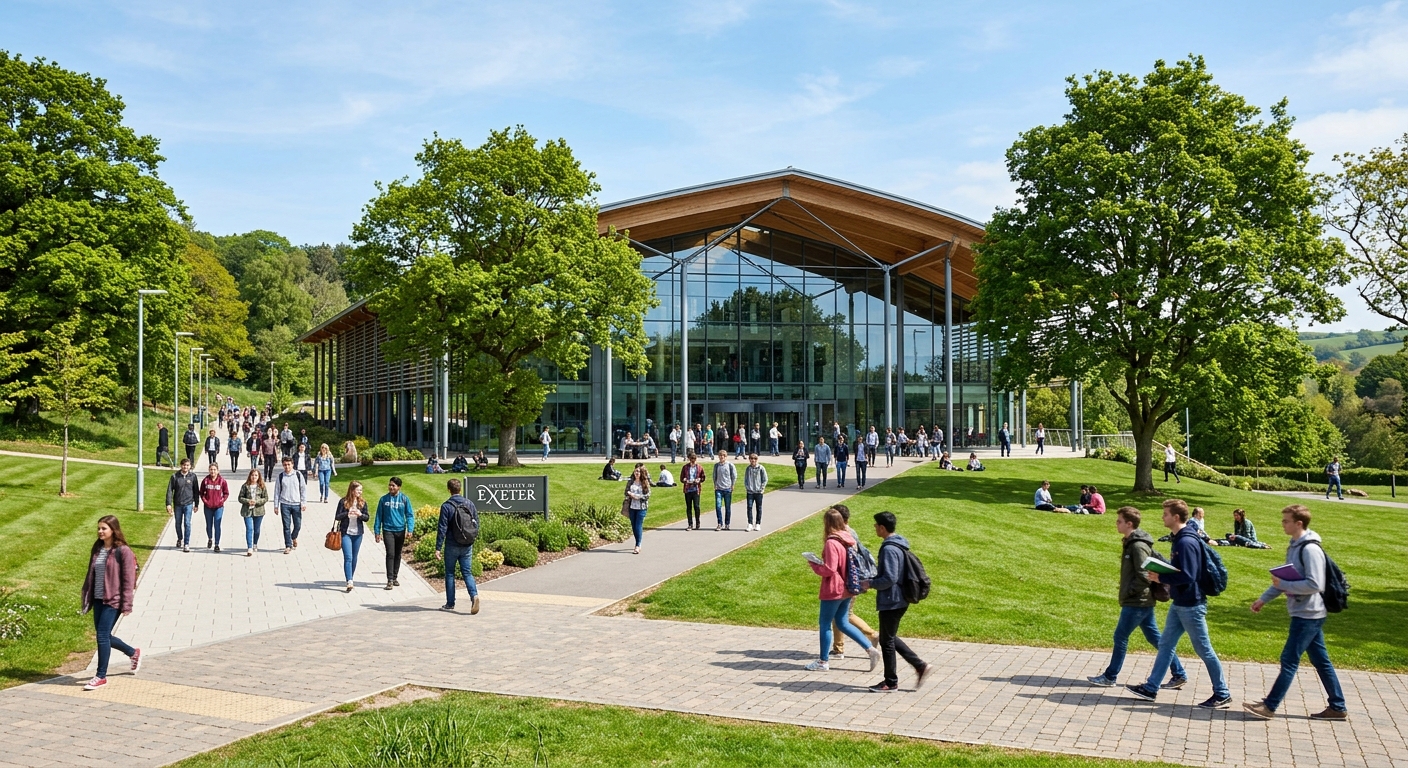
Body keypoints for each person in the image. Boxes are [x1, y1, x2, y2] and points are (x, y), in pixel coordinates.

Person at [1243, 504, 1349, 721]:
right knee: (1321, 661)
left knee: (1289, 658)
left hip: (1309, 613)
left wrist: (1285, 585)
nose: (1283, 524)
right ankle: (1337, 706)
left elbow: (1315, 584)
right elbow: (1285, 579)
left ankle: (1270, 706)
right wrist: (1263, 599)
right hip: (1302, 611)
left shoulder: (1310, 549)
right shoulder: (1293, 546)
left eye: (1286, 521)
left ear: (1298, 523)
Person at [1126, 499, 1231, 709]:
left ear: (1176, 517)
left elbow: (1189, 575)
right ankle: (1151, 687)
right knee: (1166, 644)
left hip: (1191, 604)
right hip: (1180, 602)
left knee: (1204, 650)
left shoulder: (1186, 542)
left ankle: (1222, 693)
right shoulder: (1180, 539)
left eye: (1165, 514)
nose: (1162, 517)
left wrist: (1161, 578)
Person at [1086, 506, 1187, 689]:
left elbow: (1143, 575)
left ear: (1129, 523)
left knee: (1120, 637)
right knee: (1156, 639)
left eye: (1119, 521)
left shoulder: (1137, 545)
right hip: (1140, 600)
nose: (1116, 524)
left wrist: (1130, 591)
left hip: (1138, 601)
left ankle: (1110, 676)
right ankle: (1179, 673)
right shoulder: (1131, 542)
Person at [862, 511, 931, 692]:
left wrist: (869, 583)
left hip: (893, 600)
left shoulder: (889, 548)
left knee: (887, 641)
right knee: (888, 638)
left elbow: (890, 578)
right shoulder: (898, 544)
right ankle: (919, 666)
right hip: (897, 598)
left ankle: (891, 682)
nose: (874, 528)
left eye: (876, 525)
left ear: (882, 528)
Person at [804, 508, 880, 673]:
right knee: (843, 622)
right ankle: (870, 649)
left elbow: (830, 569)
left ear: (827, 523)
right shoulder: (847, 538)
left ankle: (823, 661)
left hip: (834, 589)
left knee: (825, 624)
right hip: (848, 587)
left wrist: (814, 565)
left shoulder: (832, 542)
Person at [79, 515, 140, 691]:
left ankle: (101, 676)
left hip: (114, 599)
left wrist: (127, 604)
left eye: (104, 528)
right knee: (104, 635)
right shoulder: (97, 548)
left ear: (113, 530)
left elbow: (128, 580)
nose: (100, 531)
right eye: (98, 528)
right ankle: (132, 652)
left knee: (102, 635)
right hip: (98, 598)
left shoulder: (123, 551)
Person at [830, 505, 880, 661]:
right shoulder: (851, 533)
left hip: (846, 582)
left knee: (841, 616)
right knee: (842, 615)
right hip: (853, 581)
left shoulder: (842, 536)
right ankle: (841, 647)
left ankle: (842, 648)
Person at [435, 478, 480, 614]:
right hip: (467, 544)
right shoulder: (469, 504)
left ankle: (450, 603)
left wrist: (438, 548)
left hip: (452, 544)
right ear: (460, 489)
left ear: (449, 489)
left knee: (450, 573)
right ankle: (474, 595)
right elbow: (476, 523)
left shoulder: (446, 506)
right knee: (467, 572)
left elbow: (442, 528)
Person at [374, 477, 414, 590]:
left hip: (400, 530)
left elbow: (410, 515)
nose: (391, 487)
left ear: (399, 487)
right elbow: (378, 516)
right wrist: (377, 531)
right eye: (390, 485)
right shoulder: (383, 500)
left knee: (398, 554)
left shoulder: (404, 499)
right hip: (388, 530)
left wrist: (410, 529)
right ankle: (390, 579)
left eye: (393, 486)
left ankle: (395, 577)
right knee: (390, 554)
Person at [333, 480, 368, 592]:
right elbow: (337, 516)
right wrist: (347, 514)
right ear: (352, 490)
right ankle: (349, 581)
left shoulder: (362, 503)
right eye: (358, 490)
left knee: (354, 557)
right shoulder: (343, 502)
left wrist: (360, 514)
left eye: (361, 490)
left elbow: (367, 518)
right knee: (348, 557)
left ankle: (350, 577)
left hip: (358, 533)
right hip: (345, 533)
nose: (360, 492)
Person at [273, 456, 307, 555]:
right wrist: (276, 506)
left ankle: (293, 537)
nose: (287, 467)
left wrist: (303, 502)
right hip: (285, 504)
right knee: (286, 526)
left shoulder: (298, 475)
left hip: (296, 504)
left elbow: (303, 489)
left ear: (292, 464)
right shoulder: (280, 476)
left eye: (288, 464)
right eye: (285, 465)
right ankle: (288, 545)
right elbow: (277, 492)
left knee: (298, 525)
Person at [165, 458, 199, 552]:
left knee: (187, 523)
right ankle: (180, 538)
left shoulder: (193, 477)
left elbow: (196, 491)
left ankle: (186, 543)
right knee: (178, 523)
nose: (185, 467)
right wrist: (168, 504)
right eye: (184, 465)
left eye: (187, 465)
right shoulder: (175, 476)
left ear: (190, 466)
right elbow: (170, 491)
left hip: (188, 503)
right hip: (178, 504)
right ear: (181, 465)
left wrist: (196, 504)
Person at [199, 462, 230, 551]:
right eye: (211, 470)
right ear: (209, 470)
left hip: (218, 507)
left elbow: (226, 493)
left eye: (214, 470)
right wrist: (205, 501)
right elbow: (201, 493)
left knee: (217, 525)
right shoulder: (205, 480)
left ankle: (217, 544)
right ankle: (210, 538)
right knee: (209, 525)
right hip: (208, 507)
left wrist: (222, 501)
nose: (213, 471)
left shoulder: (222, 481)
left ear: (218, 471)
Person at [237, 468, 268, 556]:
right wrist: (248, 501)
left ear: (259, 477)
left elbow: (266, 498)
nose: (254, 477)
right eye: (252, 475)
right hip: (247, 511)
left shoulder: (262, 486)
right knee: (249, 529)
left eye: (256, 475)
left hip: (259, 511)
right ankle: (249, 547)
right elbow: (240, 498)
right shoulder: (245, 486)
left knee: (256, 530)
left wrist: (257, 501)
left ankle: (255, 543)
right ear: (250, 476)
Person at [626, 465, 651, 554]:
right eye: (636, 471)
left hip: (641, 507)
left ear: (641, 473)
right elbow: (626, 492)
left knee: (638, 525)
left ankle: (637, 545)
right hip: (632, 506)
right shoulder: (631, 482)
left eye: (639, 471)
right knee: (633, 526)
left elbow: (648, 495)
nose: (637, 473)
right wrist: (629, 494)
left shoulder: (644, 483)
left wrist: (638, 497)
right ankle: (638, 542)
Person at [743, 453, 768, 532]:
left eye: (755, 459)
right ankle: (750, 523)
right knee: (749, 507)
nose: (753, 460)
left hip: (758, 492)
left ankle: (758, 523)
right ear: (749, 460)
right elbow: (746, 479)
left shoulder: (761, 468)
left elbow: (765, 479)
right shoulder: (748, 469)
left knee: (759, 508)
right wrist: (747, 487)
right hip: (750, 492)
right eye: (751, 459)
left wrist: (762, 488)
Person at [713, 450, 736, 531]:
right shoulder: (716, 466)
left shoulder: (730, 465)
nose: (722, 457)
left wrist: (732, 485)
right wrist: (715, 485)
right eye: (720, 455)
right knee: (718, 506)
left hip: (727, 489)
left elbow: (734, 476)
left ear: (726, 457)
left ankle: (727, 523)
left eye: (723, 456)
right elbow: (714, 476)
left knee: (727, 507)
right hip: (719, 489)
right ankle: (720, 523)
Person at [681, 452, 704, 530]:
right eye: (691, 459)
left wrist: (699, 480)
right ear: (689, 459)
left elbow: (703, 477)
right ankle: (690, 524)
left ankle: (698, 522)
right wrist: (684, 480)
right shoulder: (685, 467)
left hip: (696, 489)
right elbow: (681, 478)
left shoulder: (699, 467)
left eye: (694, 459)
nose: (693, 460)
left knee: (696, 506)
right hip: (688, 489)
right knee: (689, 507)